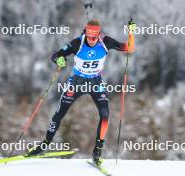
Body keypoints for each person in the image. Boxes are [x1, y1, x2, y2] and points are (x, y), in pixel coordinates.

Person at [27, 19, 136, 165]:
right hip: (76, 82)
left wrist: (131, 33)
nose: (91, 41)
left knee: (105, 115)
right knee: (59, 114)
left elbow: (128, 48)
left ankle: (97, 151)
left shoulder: (106, 41)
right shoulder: (77, 43)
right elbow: (56, 55)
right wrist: (60, 60)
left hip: (95, 82)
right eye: (89, 37)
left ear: (98, 35)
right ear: (86, 33)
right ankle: (45, 144)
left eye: (94, 38)